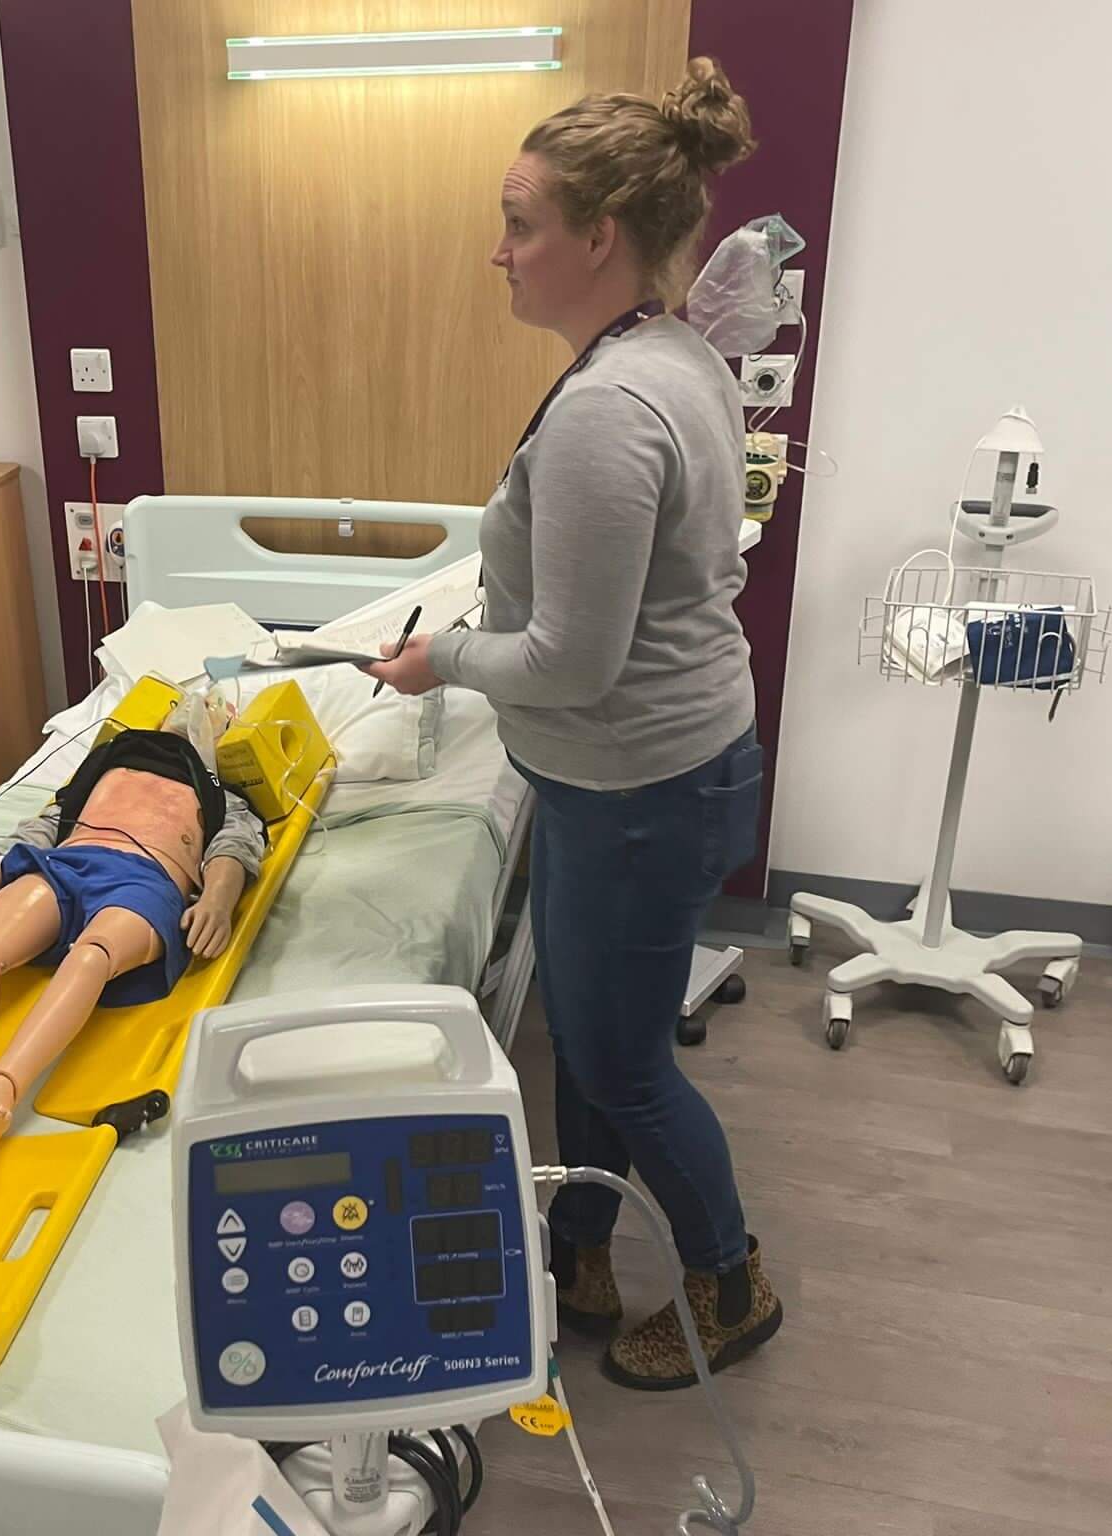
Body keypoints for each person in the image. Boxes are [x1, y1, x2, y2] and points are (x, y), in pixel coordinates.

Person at [365, 60, 780, 1390]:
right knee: (599, 1035)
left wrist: (445, 659)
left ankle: (731, 1282)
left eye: (521, 221)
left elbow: (571, 663)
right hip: (655, 770)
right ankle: (579, 1250)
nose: (499, 252)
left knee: (619, 1060)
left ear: (599, 235)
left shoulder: (611, 407)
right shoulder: (665, 351)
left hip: (639, 783)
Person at [0, 694, 263, 1148]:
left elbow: (234, 846)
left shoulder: (221, 791)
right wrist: (0, 866)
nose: (196, 710)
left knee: (92, 954)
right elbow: (49, 821)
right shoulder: (104, 766)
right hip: (63, 864)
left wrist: (217, 900)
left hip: (145, 880)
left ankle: (4, 1086)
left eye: (212, 709)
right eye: (186, 703)